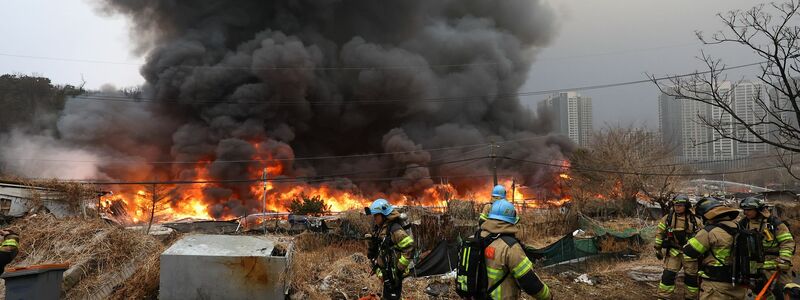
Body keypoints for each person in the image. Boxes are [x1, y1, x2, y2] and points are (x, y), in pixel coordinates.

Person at [481, 200, 551, 300]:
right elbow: (530, 282)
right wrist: (548, 296)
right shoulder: (510, 247)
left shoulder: (475, 238)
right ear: (511, 222)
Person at [683, 197, 746, 300]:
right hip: (738, 284)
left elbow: (690, 251)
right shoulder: (738, 227)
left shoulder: (710, 231)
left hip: (715, 284)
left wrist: (693, 238)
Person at [739, 197, 795, 300]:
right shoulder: (743, 223)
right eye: (744, 210)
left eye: (749, 209)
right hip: (755, 268)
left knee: (782, 293)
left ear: (758, 210)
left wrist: (784, 259)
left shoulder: (774, 223)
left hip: (776, 266)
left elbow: (787, 242)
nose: (745, 212)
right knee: (760, 294)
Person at [654, 195, 702, 300]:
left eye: (680, 205)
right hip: (674, 253)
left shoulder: (695, 221)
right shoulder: (668, 218)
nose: (677, 207)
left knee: (691, 279)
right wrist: (658, 248)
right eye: (675, 205)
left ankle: (691, 298)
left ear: (686, 206)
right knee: (668, 276)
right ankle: (663, 297)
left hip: (690, 255)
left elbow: (702, 238)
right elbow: (659, 233)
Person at [366, 199, 415, 300]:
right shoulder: (381, 227)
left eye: (376, 215)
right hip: (385, 272)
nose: (374, 218)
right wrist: (372, 245)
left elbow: (409, 248)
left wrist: (399, 269)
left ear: (384, 214)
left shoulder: (395, 229)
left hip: (393, 274)